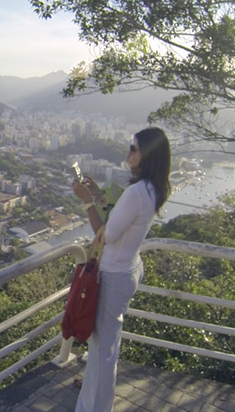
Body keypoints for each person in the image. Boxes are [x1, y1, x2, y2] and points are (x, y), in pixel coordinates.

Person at [71, 127, 171, 412]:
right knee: (106, 347)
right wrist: (99, 194)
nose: (128, 153)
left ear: (147, 155)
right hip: (129, 268)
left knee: (103, 352)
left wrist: (86, 201)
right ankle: (92, 399)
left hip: (114, 275)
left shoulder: (137, 192)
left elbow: (106, 235)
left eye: (134, 148)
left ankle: (96, 407)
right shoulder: (153, 188)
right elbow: (119, 217)